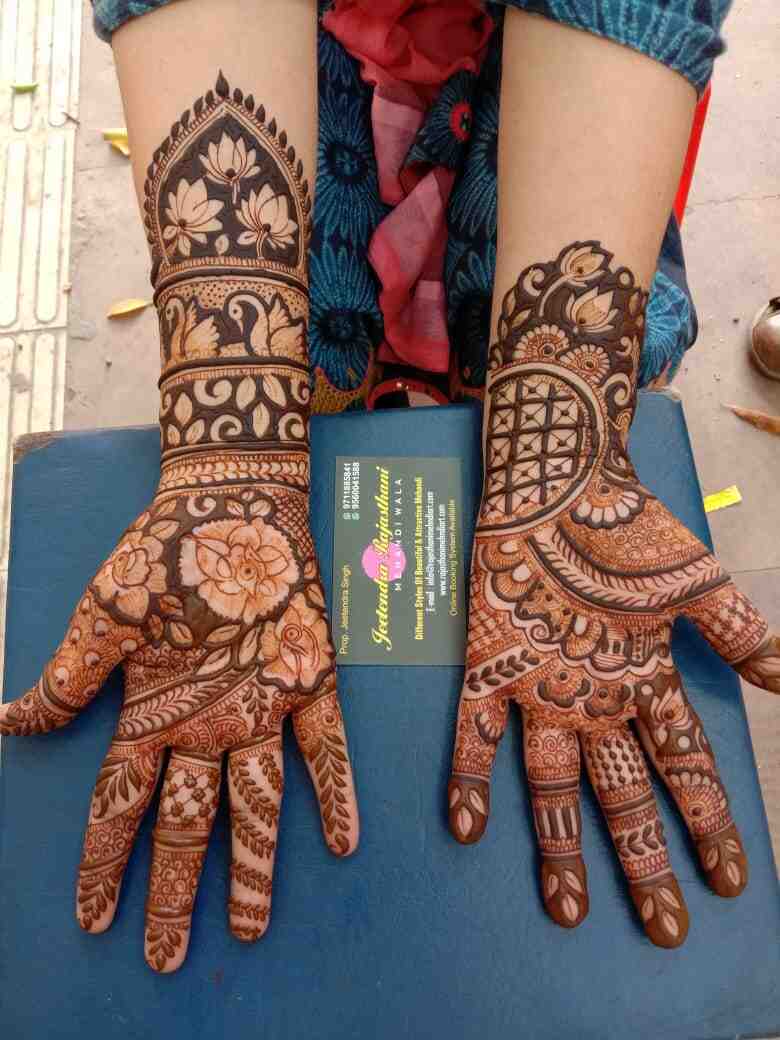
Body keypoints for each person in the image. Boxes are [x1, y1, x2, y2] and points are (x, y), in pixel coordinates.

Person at [3, 0, 779, 973]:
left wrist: (556, 456)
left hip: (576, 130)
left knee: (501, 387)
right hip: (295, 115)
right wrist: (232, 459)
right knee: (321, 383)